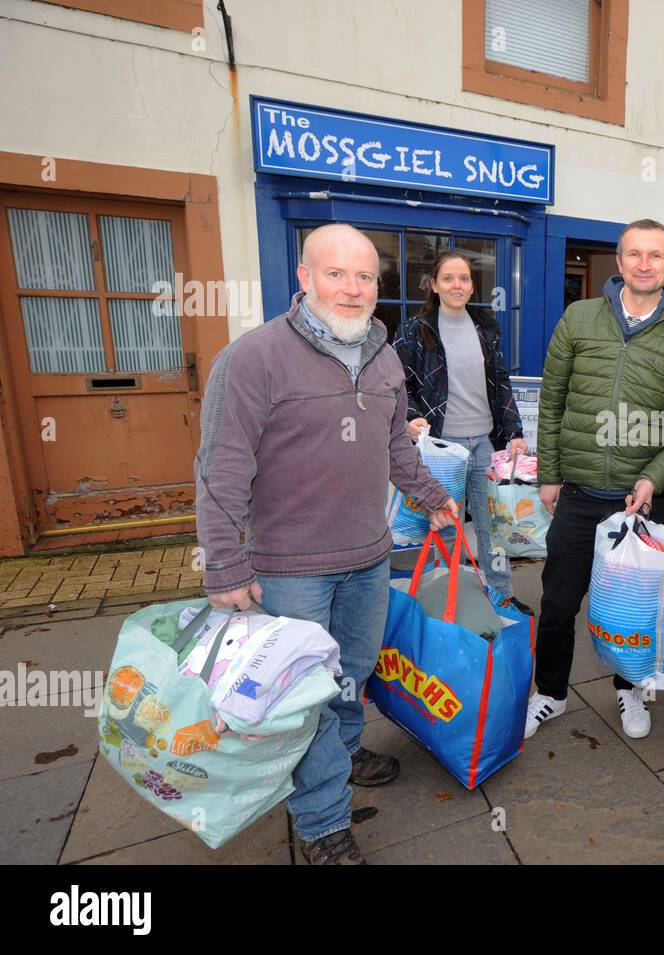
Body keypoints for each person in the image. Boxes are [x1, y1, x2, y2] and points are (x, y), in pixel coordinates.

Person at [195, 223, 457, 864]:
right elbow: (222, 466)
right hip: (289, 572)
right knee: (301, 695)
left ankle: (337, 757)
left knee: (351, 678)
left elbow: (396, 446)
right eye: (335, 273)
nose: (352, 288)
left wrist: (432, 497)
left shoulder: (384, 353)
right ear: (305, 278)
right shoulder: (254, 357)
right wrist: (226, 565)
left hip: (369, 557)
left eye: (365, 276)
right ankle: (321, 823)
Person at [528, 219, 664, 741]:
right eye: (635, 254)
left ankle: (630, 690)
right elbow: (553, 398)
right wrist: (549, 474)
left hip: (640, 505)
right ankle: (551, 694)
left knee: (631, 613)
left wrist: (654, 478)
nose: (644, 264)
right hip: (579, 494)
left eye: (656, 256)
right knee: (558, 603)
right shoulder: (579, 317)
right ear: (619, 260)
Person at [392, 250, 530, 611]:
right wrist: (409, 416)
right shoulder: (413, 331)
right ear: (434, 285)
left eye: (465, 279)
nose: (457, 285)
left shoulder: (486, 328)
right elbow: (395, 383)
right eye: (449, 278)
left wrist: (514, 430)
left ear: (472, 287)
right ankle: (447, 599)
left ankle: (501, 595)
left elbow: (500, 382)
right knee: (447, 528)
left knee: (493, 530)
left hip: (483, 443)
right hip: (441, 448)